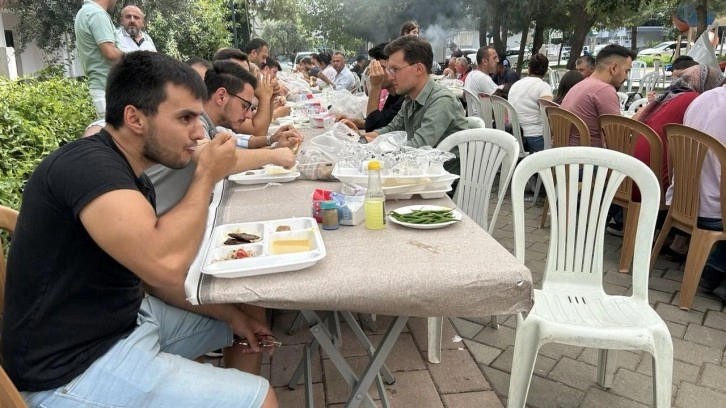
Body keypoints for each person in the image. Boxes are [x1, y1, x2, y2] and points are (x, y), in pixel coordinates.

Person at [2, 51, 278, 408]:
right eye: (185, 118)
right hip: (69, 369)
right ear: (134, 118)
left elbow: (150, 280)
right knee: (261, 398)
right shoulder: (88, 168)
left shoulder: (130, 173)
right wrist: (207, 175)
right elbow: (164, 267)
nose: (199, 132)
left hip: (125, 322)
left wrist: (232, 317)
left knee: (247, 317)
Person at [146, 60, 299, 216]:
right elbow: (214, 158)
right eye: (245, 106)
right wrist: (273, 155)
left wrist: (274, 147)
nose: (248, 115)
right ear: (221, 97)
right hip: (152, 221)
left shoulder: (211, 125)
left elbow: (237, 153)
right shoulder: (193, 122)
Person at [355, 36, 468, 173]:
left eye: (395, 69)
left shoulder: (442, 100)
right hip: (419, 172)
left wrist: (370, 148)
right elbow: (390, 130)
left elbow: (416, 149)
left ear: (418, 69)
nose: (390, 76)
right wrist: (360, 141)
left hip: (443, 182)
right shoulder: (410, 99)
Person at [677, 86, 726, 300]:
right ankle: (716, 269)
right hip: (713, 210)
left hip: (683, 201)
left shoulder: (702, 98)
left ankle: (715, 269)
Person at [561, 44, 636, 147]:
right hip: (591, 155)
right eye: (626, 71)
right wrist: (640, 116)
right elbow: (618, 140)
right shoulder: (604, 90)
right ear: (613, 68)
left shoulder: (580, 85)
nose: (626, 77)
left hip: (566, 152)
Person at [336, 42, 404, 132]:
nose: (375, 73)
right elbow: (382, 121)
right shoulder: (393, 95)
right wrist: (353, 121)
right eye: (375, 68)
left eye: (381, 68)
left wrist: (376, 86)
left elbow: (372, 126)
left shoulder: (404, 99)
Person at [74, 0, 123, 119]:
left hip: (103, 88)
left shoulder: (85, 12)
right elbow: (110, 52)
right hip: (107, 89)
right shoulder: (96, 14)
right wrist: (137, 59)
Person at [508, 53, 553, 153]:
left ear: (529, 68)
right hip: (535, 135)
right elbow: (548, 111)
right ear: (546, 70)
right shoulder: (543, 87)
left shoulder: (515, 85)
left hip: (514, 136)